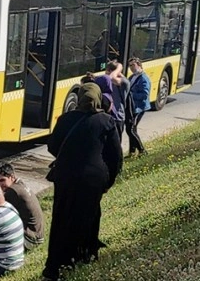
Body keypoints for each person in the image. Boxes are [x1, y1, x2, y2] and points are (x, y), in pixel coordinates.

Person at [41, 83, 123, 281]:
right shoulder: (106, 121)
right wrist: (108, 180)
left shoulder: (66, 119)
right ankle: (83, 254)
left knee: (62, 217)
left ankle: (55, 265)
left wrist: (71, 155)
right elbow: (116, 156)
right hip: (93, 179)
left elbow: (53, 146)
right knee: (88, 215)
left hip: (66, 176)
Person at [126, 57, 150, 156]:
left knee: (130, 129)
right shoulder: (132, 77)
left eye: (133, 65)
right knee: (132, 128)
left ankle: (142, 150)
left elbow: (144, 95)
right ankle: (132, 151)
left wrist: (131, 95)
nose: (131, 67)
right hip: (131, 107)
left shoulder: (143, 78)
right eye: (130, 66)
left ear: (139, 65)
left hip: (139, 107)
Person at [105, 61, 130, 137]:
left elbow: (112, 77)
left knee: (116, 143)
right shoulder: (110, 81)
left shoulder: (124, 82)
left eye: (107, 71)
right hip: (108, 116)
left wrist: (119, 67)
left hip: (117, 117)